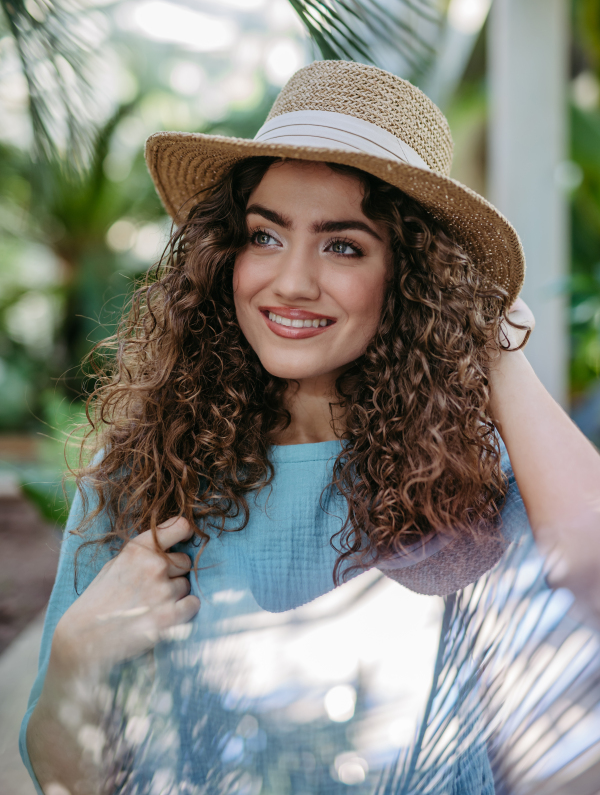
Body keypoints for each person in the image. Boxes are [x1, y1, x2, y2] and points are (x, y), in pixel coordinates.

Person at [21, 61, 600, 795]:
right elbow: (62, 780)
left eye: (343, 245)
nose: (291, 280)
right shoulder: (142, 473)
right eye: (264, 236)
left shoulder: (478, 474)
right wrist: (76, 655)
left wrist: (496, 349)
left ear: (408, 277)